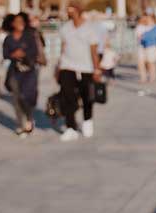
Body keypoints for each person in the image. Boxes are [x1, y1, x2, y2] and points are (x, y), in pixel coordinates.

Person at [57, 0, 101, 142]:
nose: (69, 11)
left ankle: (87, 120)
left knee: (87, 96)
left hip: (86, 68)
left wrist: (97, 69)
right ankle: (71, 127)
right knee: (67, 97)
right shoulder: (65, 28)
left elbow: (94, 51)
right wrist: (58, 66)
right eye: (68, 9)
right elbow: (62, 48)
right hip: (67, 66)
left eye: (71, 9)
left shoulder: (90, 28)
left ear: (78, 10)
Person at [3, 13, 38, 138]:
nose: (20, 24)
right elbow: (5, 54)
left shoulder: (29, 36)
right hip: (14, 71)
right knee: (16, 98)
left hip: (28, 71)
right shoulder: (8, 38)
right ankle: (21, 124)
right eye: (17, 21)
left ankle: (29, 118)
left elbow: (35, 52)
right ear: (12, 24)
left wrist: (24, 53)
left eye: (22, 21)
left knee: (26, 96)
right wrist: (13, 54)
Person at [135, 15, 156, 84]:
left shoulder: (155, 27)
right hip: (141, 46)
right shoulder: (140, 26)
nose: (146, 19)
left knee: (150, 62)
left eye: (149, 19)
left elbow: (155, 35)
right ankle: (143, 77)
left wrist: (144, 36)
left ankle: (152, 77)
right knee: (141, 62)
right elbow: (138, 36)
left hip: (151, 46)